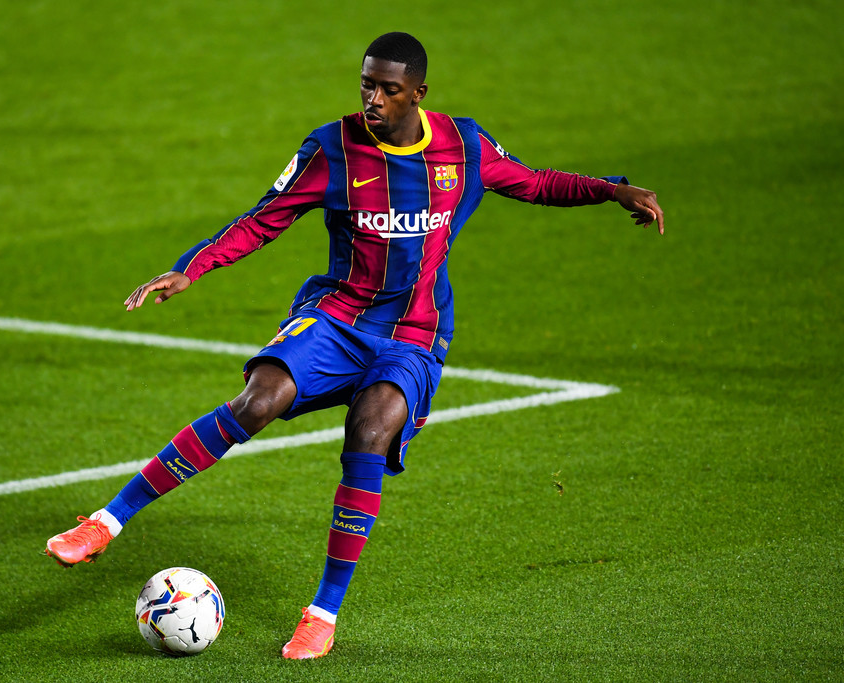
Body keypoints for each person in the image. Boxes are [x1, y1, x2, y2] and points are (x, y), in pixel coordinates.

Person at [45, 31, 664, 659]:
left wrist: (613, 188)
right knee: (258, 401)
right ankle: (105, 523)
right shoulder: (331, 147)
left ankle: (321, 614)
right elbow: (267, 216)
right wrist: (192, 267)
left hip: (414, 335)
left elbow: (533, 182)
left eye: (388, 89)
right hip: (338, 316)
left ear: (418, 94)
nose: (372, 98)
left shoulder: (463, 146)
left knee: (369, 431)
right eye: (366, 83)